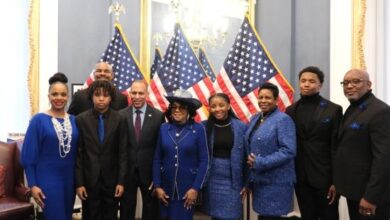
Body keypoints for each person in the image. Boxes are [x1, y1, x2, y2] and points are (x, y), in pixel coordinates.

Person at [285, 66, 342, 220]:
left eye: (311, 81)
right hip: (301, 176)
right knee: (307, 216)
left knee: (329, 216)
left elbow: (336, 147)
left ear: (320, 85)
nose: (306, 84)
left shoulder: (333, 109)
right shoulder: (290, 110)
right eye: (303, 81)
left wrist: (335, 181)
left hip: (325, 178)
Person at [334, 69, 390, 220]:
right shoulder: (353, 108)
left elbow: (383, 159)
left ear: (369, 84)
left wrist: (371, 197)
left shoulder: (380, 111)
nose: (349, 86)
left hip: (370, 196)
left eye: (356, 81)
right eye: (345, 83)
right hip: (354, 191)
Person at [22, 72, 79, 220]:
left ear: (68, 97)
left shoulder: (74, 120)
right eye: (54, 94)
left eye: (63, 94)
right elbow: (28, 157)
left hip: (70, 180)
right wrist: (33, 185)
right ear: (49, 96)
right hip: (48, 180)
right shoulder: (38, 121)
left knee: (66, 216)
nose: (59, 98)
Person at [152, 89, 209, 220]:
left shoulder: (199, 129)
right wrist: (157, 186)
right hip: (165, 190)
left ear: (189, 110)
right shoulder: (164, 128)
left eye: (181, 107)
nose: (177, 110)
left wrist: (195, 188)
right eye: (174, 107)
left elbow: (204, 160)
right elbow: (157, 159)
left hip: (187, 191)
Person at [75, 80, 128, 220]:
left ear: (111, 98)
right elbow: (79, 154)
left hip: (112, 180)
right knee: (90, 215)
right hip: (89, 180)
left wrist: (121, 182)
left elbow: (123, 153)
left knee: (110, 216)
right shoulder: (81, 120)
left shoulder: (120, 119)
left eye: (105, 95)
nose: (101, 99)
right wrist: (79, 183)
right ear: (91, 97)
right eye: (97, 95)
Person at [245, 82, 297, 220]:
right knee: (263, 216)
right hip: (259, 180)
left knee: (271, 217)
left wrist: (260, 162)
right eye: (260, 97)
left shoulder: (283, 120)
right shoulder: (255, 118)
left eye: (267, 98)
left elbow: (289, 150)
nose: (263, 101)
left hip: (276, 182)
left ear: (276, 100)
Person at [119, 80, 165, 220]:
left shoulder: (158, 116)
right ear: (129, 93)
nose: (137, 96)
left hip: (149, 172)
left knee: (151, 211)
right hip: (127, 172)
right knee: (126, 209)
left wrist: (157, 176)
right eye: (134, 93)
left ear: (147, 94)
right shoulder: (120, 115)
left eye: (140, 93)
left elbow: (161, 147)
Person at [202, 93, 247, 220]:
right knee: (216, 216)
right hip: (212, 180)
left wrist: (247, 182)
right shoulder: (203, 127)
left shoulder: (241, 126)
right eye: (213, 106)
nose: (217, 109)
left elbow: (246, 157)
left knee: (232, 214)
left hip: (234, 180)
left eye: (221, 105)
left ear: (228, 106)